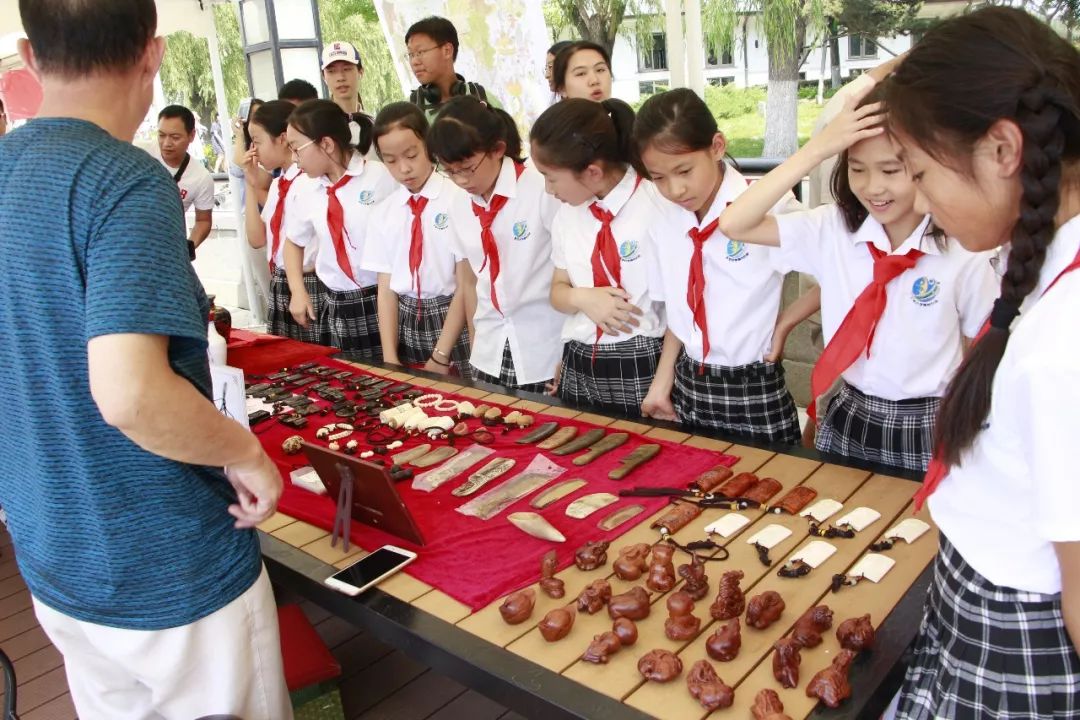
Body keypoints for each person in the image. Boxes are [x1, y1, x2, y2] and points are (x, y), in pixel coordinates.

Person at [0, 1, 291, 718]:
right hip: (168, 562)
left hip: (55, 554)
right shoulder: (125, 180)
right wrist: (244, 452)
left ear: (30, 59)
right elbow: (130, 394)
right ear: (153, 55)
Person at [881, 7, 1080, 717]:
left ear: (1002, 148)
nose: (924, 205)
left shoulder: (1064, 344)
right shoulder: (1041, 274)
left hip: (1019, 639)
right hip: (976, 605)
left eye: (922, 173)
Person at [718, 81, 998, 472]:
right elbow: (734, 223)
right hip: (852, 411)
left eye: (890, 170)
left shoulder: (961, 245)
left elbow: (982, 342)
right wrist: (817, 149)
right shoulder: (832, 229)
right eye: (857, 168)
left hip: (931, 422)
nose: (873, 187)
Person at [633, 89, 803, 443]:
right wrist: (661, 385)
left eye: (684, 170)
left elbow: (842, 262)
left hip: (753, 386)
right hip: (689, 384)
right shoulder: (661, 214)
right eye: (658, 177)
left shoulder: (768, 206)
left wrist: (787, 321)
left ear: (717, 146)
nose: (675, 189)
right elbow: (680, 311)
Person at [530, 98, 665, 416]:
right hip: (579, 358)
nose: (548, 190)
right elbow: (558, 290)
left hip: (641, 361)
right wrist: (584, 298)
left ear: (592, 172)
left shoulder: (656, 204)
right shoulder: (567, 215)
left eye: (551, 177)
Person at [427, 96, 563, 393]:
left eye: (467, 168)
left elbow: (573, 274)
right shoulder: (458, 204)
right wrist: (477, 347)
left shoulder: (541, 188)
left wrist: (567, 353)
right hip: (490, 352)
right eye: (449, 170)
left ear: (498, 150)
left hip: (546, 349)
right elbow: (472, 281)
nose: (461, 180)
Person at [365, 102, 472, 378]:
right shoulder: (384, 212)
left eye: (411, 154)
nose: (404, 168)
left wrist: (441, 353)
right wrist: (390, 356)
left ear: (428, 144)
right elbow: (386, 288)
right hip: (407, 320)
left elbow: (465, 285)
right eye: (390, 160)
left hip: (451, 319)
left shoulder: (458, 199)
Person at [285, 99, 397, 361]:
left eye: (296, 148)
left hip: (384, 298)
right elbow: (293, 242)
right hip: (338, 304)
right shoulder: (304, 188)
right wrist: (298, 291)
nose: (293, 158)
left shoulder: (381, 178)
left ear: (326, 144)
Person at [242, 100, 328, 344]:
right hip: (281, 281)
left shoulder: (311, 181)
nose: (253, 149)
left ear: (282, 139)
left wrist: (298, 289)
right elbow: (257, 238)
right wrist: (251, 182)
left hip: (309, 282)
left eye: (257, 140)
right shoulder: (280, 184)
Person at [405, 16, 497, 120]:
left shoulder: (484, 100)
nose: (414, 62)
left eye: (420, 52)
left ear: (447, 50)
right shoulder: (408, 113)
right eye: (410, 54)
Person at [157, 104, 214, 259]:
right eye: (161, 135)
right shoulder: (140, 155)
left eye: (175, 137)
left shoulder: (201, 177)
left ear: (191, 135)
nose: (166, 143)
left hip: (168, 252)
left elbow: (203, 221)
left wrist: (186, 250)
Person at [321, 41, 366, 115]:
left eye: (347, 69)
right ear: (323, 77)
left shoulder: (374, 124)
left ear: (360, 72)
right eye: (331, 71)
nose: (340, 78)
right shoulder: (317, 124)